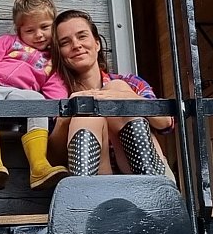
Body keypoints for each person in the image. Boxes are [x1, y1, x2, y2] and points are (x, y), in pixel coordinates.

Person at [0, 0, 69, 190]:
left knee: (38, 100)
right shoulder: (9, 43)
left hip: (19, 96)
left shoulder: (53, 61)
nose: (39, 35)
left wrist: (57, 110)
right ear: (19, 31)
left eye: (45, 27)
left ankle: (39, 166)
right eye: (30, 31)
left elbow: (55, 89)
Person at [46, 9, 174, 177]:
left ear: (97, 43)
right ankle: (85, 193)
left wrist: (128, 98)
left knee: (116, 88)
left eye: (82, 36)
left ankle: (151, 186)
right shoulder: (58, 93)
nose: (76, 45)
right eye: (65, 42)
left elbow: (166, 123)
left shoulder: (130, 82)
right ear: (60, 54)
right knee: (86, 114)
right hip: (101, 184)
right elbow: (53, 159)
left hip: (148, 176)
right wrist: (64, 119)